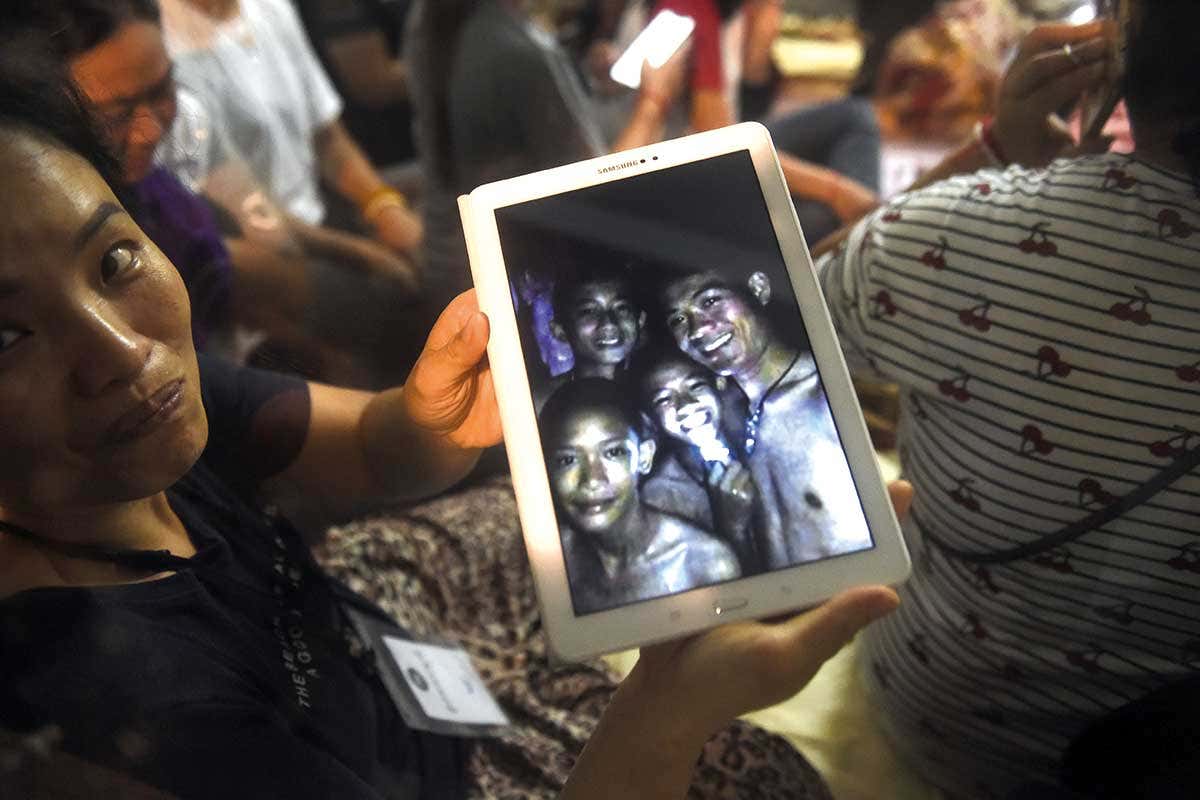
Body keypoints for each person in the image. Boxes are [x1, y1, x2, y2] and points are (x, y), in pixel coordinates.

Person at [0, 51, 909, 800]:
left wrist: (428, 418)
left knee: (540, 530)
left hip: (376, 648)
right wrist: (669, 704)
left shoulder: (149, 420)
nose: (120, 350)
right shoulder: (116, 725)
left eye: (114, 258)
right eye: (7, 335)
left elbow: (368, 445)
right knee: (774, 779)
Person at [814, 9, 1200, 796]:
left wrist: (993, 151)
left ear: (1118, 47)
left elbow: (786, 329)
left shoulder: (962, 233)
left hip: (929, 728)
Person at [405, 0, 688, 318]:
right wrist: (654, 101)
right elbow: (598, 192)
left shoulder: (428, 20)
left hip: (446, 265)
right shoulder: (520, 53)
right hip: (506, 289)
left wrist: (581, 77)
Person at [155, 0, 423, 260]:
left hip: (320, 229)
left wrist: (382, 206)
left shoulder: (270, 7)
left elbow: (327, 138)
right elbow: (245, 214)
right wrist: (365, 255)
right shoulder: (162, 43)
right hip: (255, 255)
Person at [660, 268, 873, 567]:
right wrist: (733, 527)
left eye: (710, 301)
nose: (696, 329)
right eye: (679, 320)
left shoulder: (828, 395)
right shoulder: (727, 417)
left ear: (758, 288)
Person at [540, 379, 740, 614]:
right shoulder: (551, 560)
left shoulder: (706, 563)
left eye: (613, 452)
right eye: (567, 460)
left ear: (644, 457)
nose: (592, 479)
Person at [632, 343, 763, 572]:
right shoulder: (660, 497)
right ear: (649, 419)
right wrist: (733, 528)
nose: (687, 404)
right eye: (664, 399)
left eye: (695, 386)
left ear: (718, 384)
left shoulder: (759, 438)